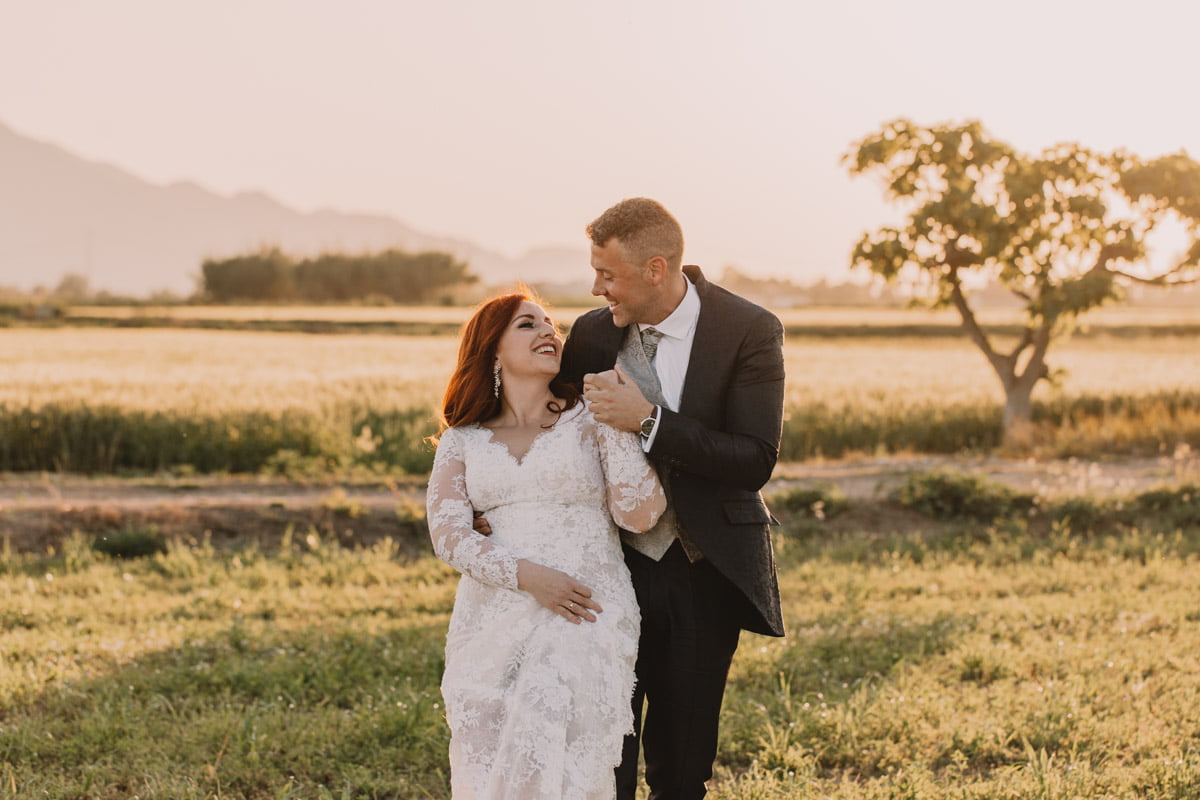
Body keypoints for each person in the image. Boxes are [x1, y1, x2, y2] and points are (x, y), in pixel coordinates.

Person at [563, 197, 786, 800]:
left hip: (703, 569)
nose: (595, 287)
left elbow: (754, 459)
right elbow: (550, 432)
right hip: (610, 571)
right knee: (605, 752)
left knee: (682, 767)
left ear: (656, 269)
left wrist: (649, 422)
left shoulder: (748, 329)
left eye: (608, 275)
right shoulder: (589, 335)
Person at [426, 290, 667, 799]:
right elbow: (448, 535)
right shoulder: (463, 439)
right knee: (492, 754)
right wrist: (528, 577)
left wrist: (618, 420)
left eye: (550, 323)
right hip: (493, 609)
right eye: (527, 325)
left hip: (586, 603)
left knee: (557, 739)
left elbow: (640, 514)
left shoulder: (589, 414)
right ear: (491, 350)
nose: (548, 332)